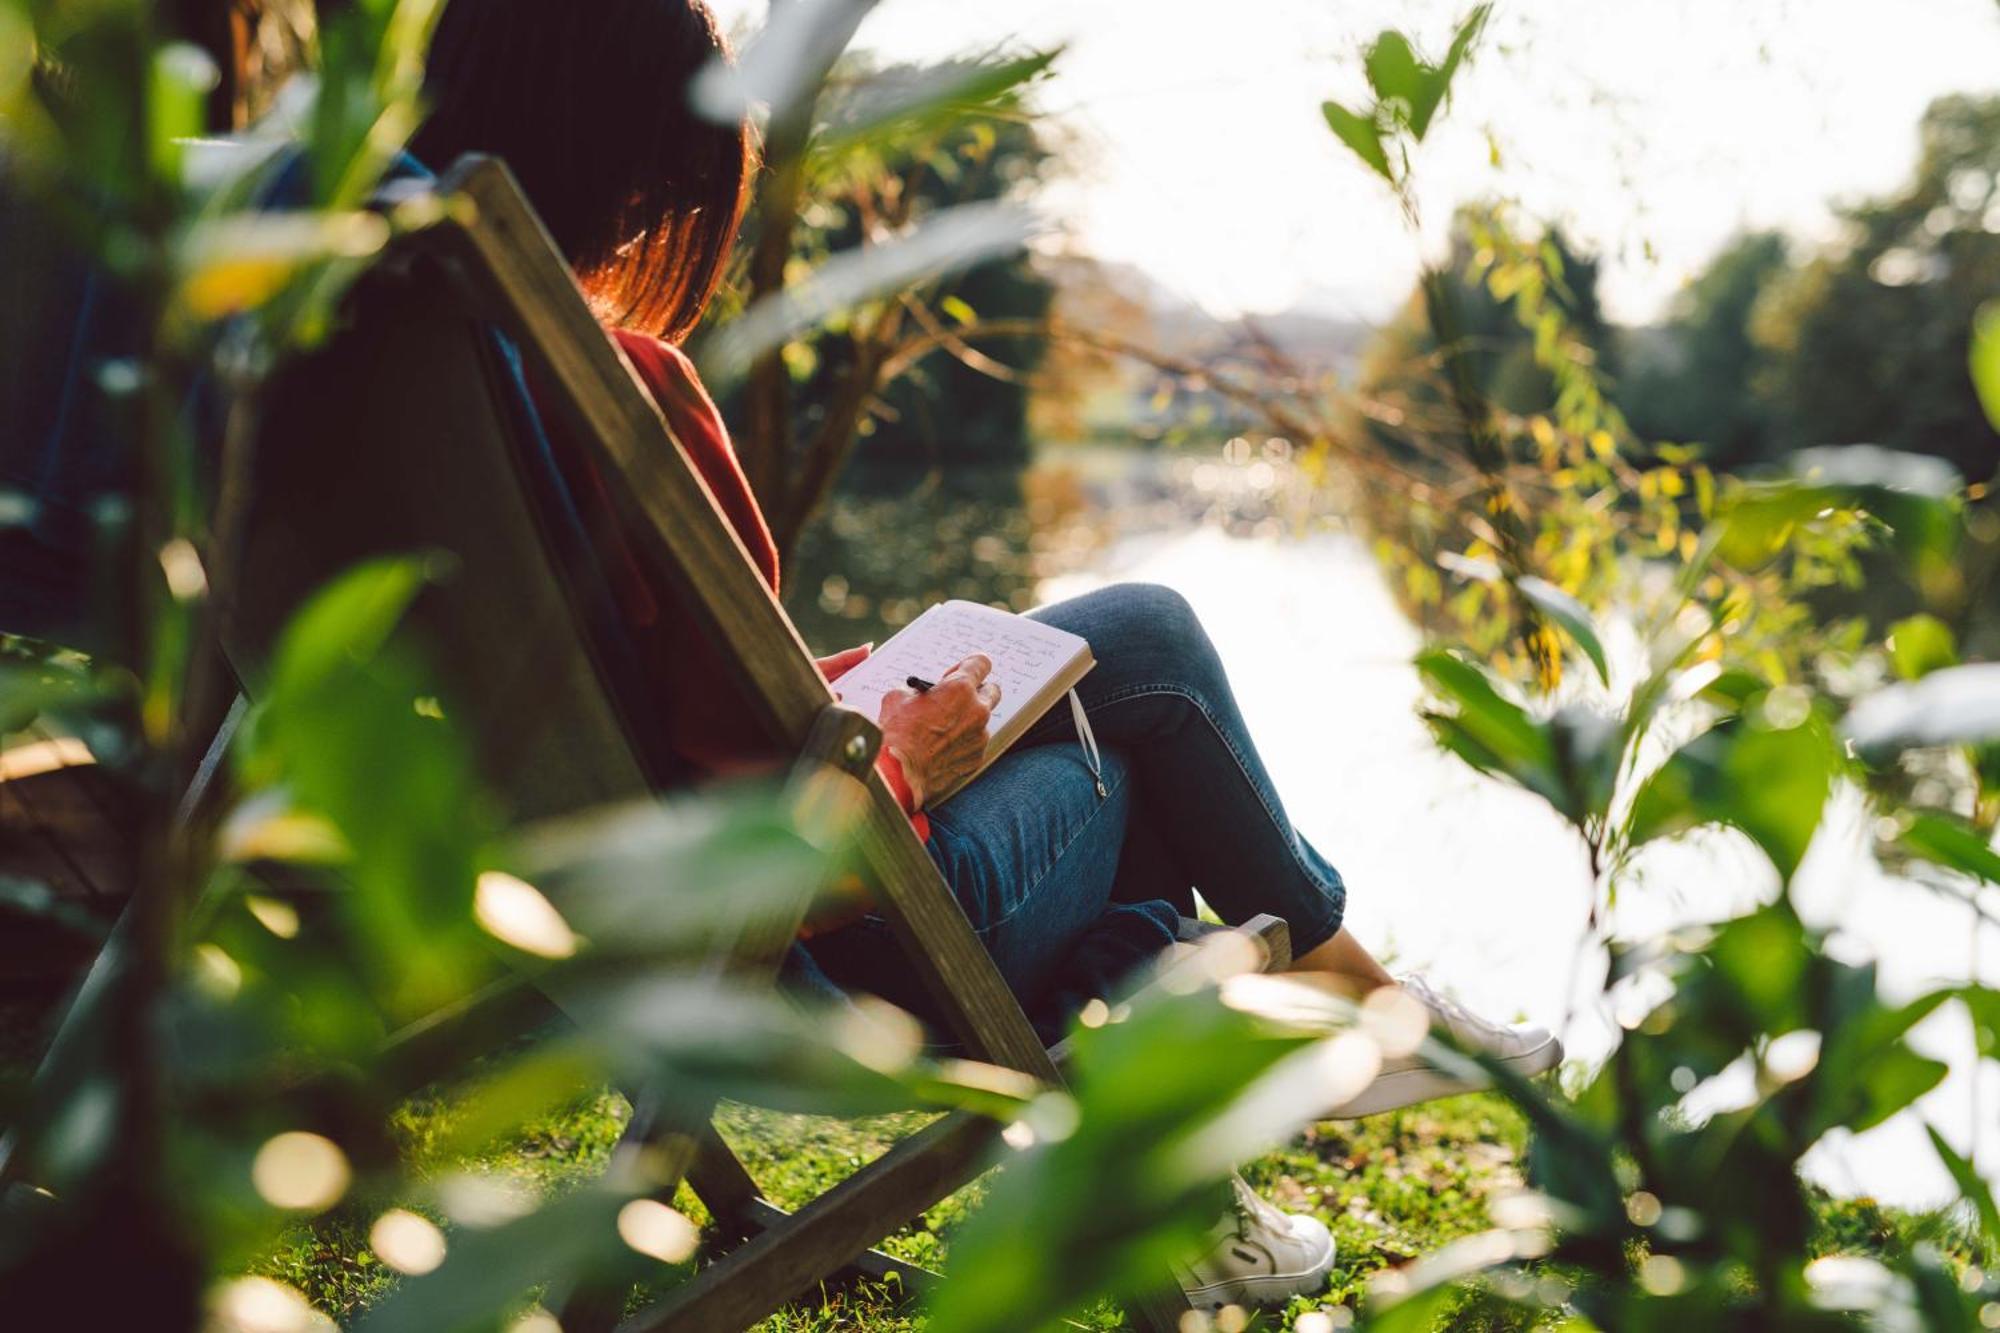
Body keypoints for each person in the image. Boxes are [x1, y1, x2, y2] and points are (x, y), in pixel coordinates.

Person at [408, 0, 1561, 1310]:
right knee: (1142, 730)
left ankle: (1283, 1071)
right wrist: (895, 757)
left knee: (1125, 645)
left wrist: (840, 685)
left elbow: (652, 703)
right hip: (787, 940)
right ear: (638, 168)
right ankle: (1331, 1025)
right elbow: (815, 863)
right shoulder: (617, 390)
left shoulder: (387, 382)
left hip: (586, 906)